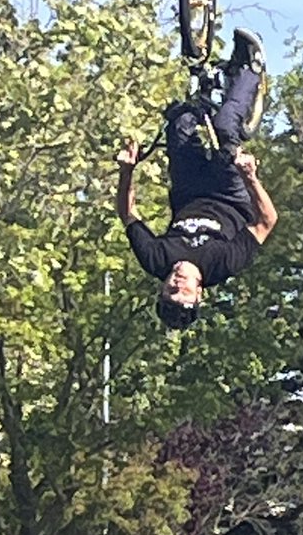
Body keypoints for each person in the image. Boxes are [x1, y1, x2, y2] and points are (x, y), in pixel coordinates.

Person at [116, 29, 277, 330]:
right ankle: (251, 69)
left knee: (179, 124)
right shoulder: (223, 263)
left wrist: (127, 171)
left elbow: (127, 214)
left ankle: (203, 90)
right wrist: (251, 178)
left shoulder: (156, 259)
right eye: (183, 291)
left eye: (169, 290)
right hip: (229, 195)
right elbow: (266, 222)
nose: (176, 283)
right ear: (199, 292)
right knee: (226, 127)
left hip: (188, 190)